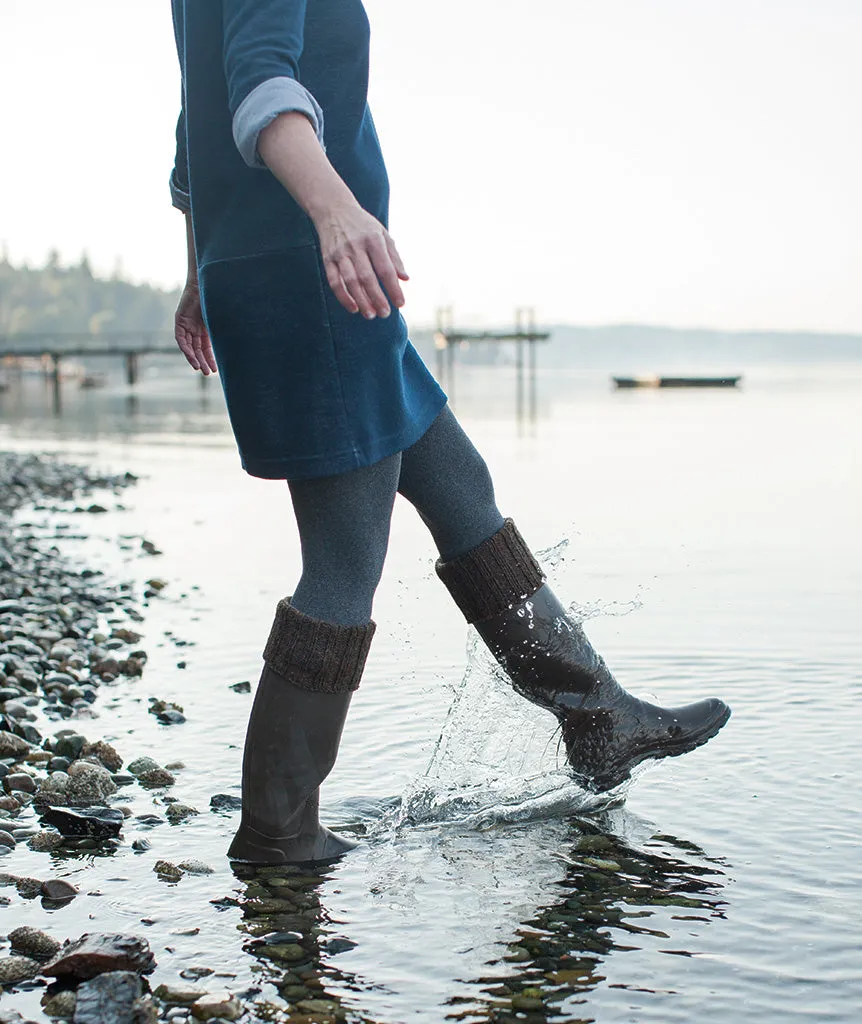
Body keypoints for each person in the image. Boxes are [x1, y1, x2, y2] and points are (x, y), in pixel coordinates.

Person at [169, 0, 730, 865]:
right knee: (343, 561)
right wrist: (334, 212)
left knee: (459, 484)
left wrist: (201, 265)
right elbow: (256, 86)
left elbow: (191, 132)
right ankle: (280, 835)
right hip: (316, 272)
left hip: (295, 269)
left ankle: (597, 717)